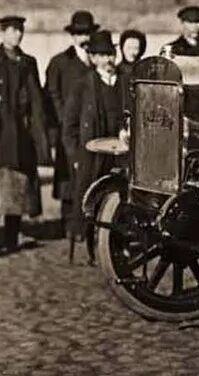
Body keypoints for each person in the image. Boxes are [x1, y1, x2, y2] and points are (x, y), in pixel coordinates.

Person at [0, 15, 51, 252]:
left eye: (20, 30)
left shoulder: (28, 62)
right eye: (12, 30)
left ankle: (11, 235)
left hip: (20, 136)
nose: (17, 35)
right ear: (2, 33)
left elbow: (37, 101)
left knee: (18, 186)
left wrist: (40, 135)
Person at [61, 30, 125, 260]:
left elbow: (126, 115)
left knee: (117, 199)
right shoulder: (82, 85)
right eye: (102, 55)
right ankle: (89, 246)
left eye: (111, 54)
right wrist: (75, 157)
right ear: (94, 59)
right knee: (89, 201)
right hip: (90, 154)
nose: (108, 60)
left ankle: (114, 247)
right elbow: (69, 126)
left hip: (119, 153)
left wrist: (124, 131)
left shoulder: (124, 81)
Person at [44, 10, 98, 237]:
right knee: (68, 174)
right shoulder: (60, 62)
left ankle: (89, 221)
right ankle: (67, 220)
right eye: (79, 34)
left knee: (91, 173)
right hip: (69, 129)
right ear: (72, 36)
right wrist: (64, 121)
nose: (84, 39)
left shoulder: (97, 62)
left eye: (87, 33)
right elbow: (52, 94)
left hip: (92, 129)